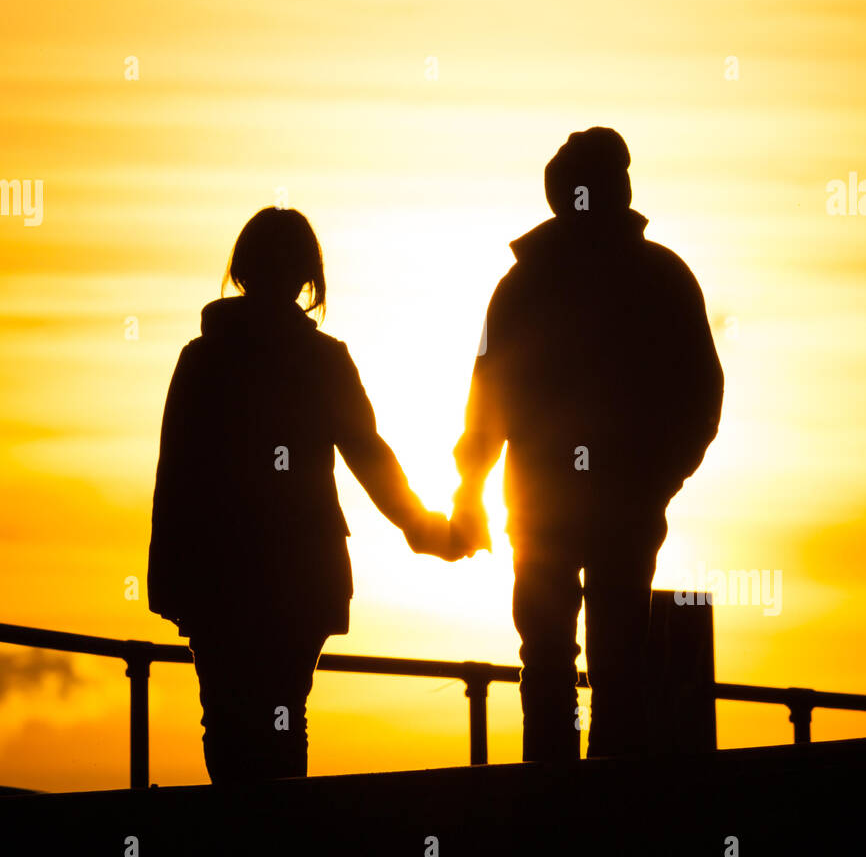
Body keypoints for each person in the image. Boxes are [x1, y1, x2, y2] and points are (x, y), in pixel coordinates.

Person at [147, 206, 463, 783]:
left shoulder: (202, 360)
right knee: (283, 717)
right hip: (298, 574)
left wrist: (169, 583)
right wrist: (425, 529)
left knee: (224, 719)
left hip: (218, 578)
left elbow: (175, 481)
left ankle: (248, 853)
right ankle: (286, 852)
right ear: (306, 277)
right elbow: (368, 454)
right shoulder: (322, 361)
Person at [450, 127, 724, 762]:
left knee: (558, 654)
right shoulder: (660, 278)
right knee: (610, 657)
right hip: (606, 502)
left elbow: (485, 404)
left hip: (557, 500)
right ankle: (604, 803)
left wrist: (471, 490)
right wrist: (659, 476)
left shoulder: (524, 287)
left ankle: (554, 800)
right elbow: (701, 396)